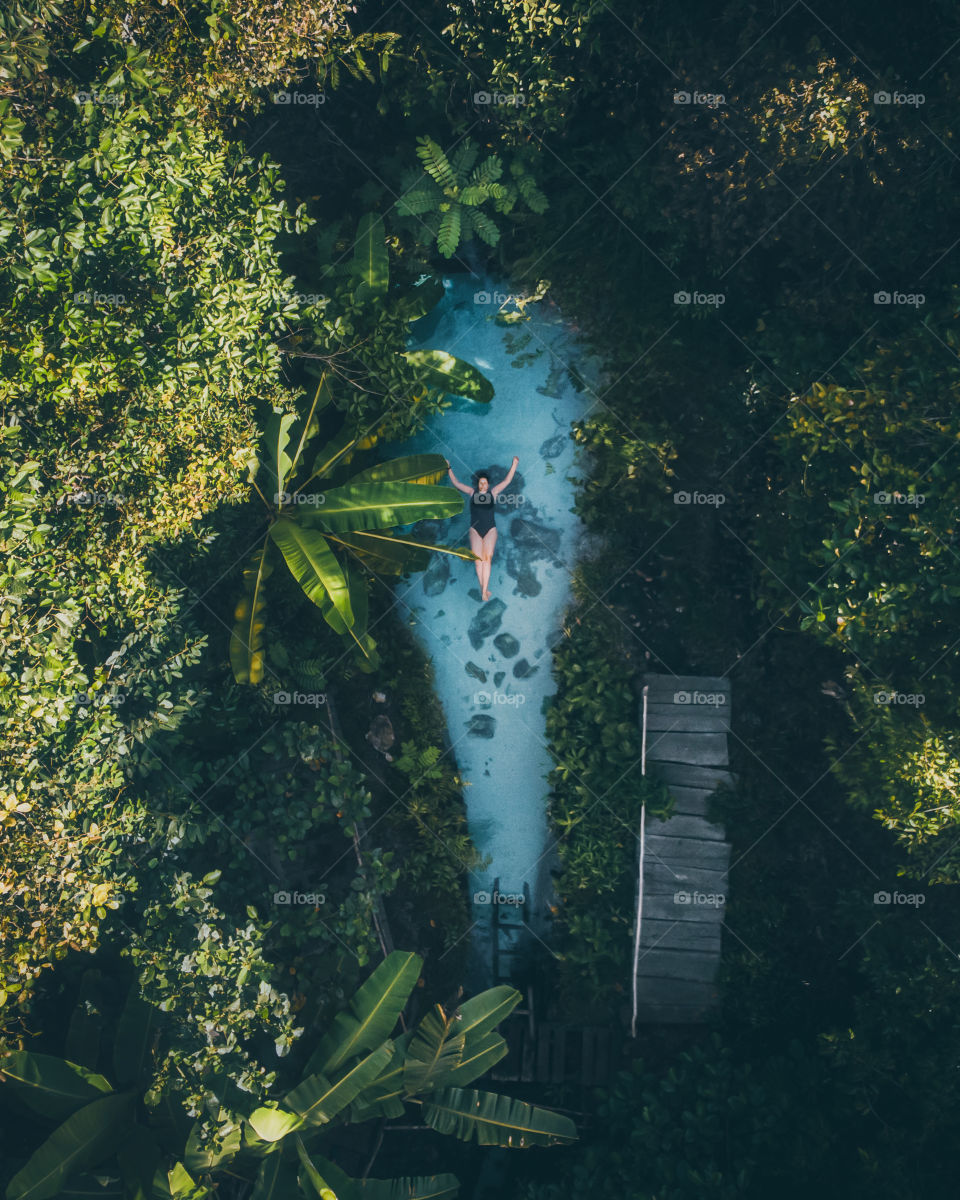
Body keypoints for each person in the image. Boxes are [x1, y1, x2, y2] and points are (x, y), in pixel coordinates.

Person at [446, 456, 519, 601]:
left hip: (490, 529)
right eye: (481, 483)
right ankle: (483, 589)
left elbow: (507, 481)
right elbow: (456, 483)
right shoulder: (472, 492)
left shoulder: (493, 492)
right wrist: (448, 467)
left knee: (487, 558)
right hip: (475, 530)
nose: (483, 485)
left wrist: (514, 465)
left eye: (485, 483)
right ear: (478, 484)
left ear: (488, 484)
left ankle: (484, 590)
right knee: (478, 561)